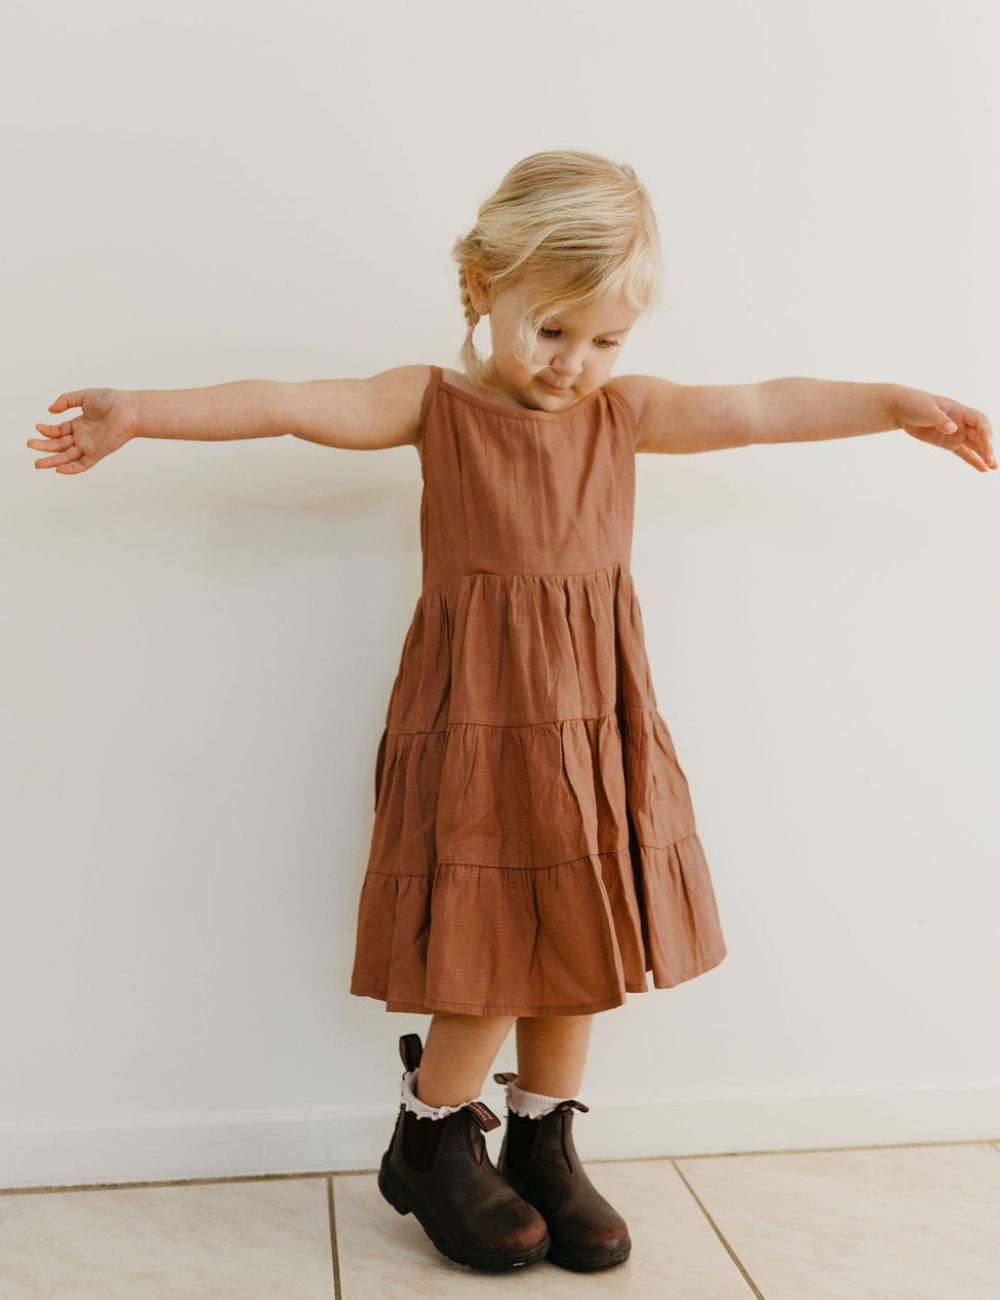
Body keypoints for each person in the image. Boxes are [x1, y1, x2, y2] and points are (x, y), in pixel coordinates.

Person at [27, 149, 995, 1275]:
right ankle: (432, 1137)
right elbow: (290, 403)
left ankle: (541, 1137)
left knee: (581, 933)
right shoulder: (430, 403)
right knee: (490, 947)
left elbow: (759, 404)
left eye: (603, 339)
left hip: (590, 718)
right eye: (550, 330)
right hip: (480, 717)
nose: (573, 364)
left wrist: (890, 405)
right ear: (481, 287)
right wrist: (141, 411)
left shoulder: (622, 416)